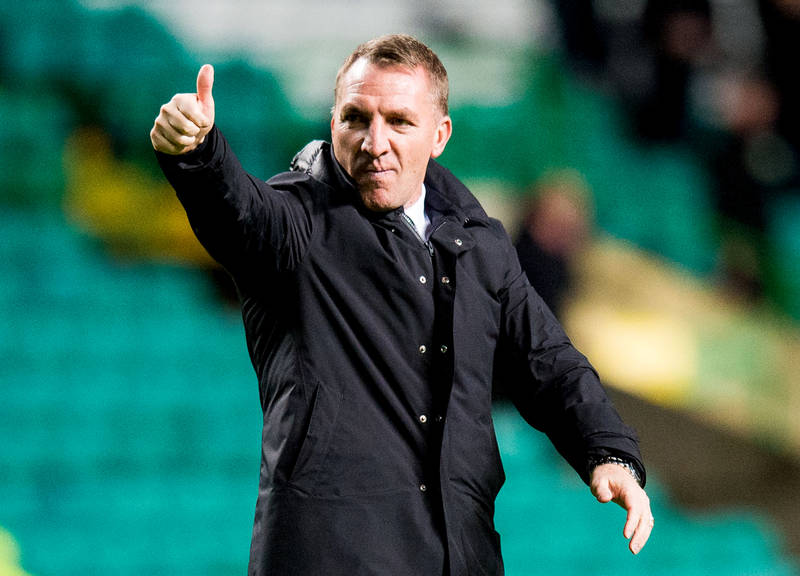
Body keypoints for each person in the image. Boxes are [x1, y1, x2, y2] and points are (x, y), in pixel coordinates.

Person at [150, 34, 653, 576]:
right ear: (333, 124)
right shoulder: (296, 224)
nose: (375, 142)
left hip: (462, 556)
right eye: (356, 118)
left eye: (399, 121)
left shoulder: (480, 245)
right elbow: (238, 210)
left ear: (440, 135)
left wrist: (608, 451)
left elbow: (548, 362)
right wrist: (198, 153)